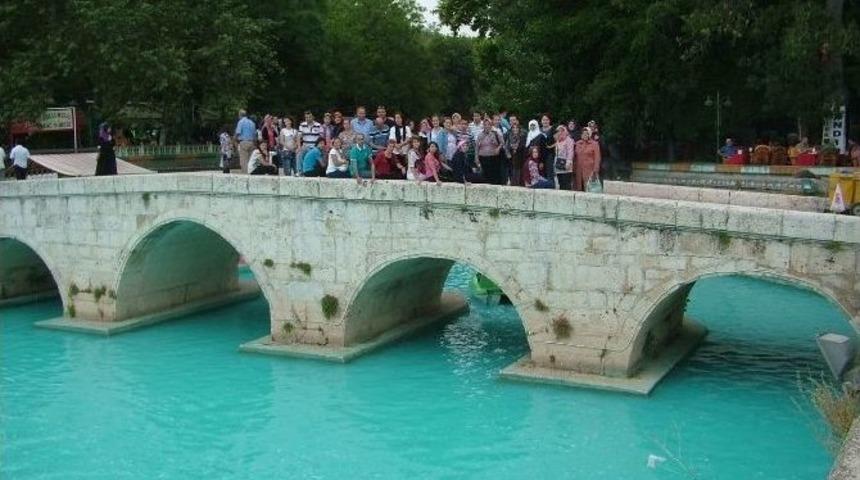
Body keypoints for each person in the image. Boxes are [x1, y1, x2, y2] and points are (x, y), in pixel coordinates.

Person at [476, 118, 505, 185]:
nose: (487, 126)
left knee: (494, 176)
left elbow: (502, 142)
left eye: (488, 124)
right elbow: (477, 147)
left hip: (493, 158)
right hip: (483, 157)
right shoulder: (480, 135)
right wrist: (476, 158)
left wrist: (498, 148)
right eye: (485, 124)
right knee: (485, 176)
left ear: (491, 125)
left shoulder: (495, 133)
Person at [297, 111, 322, 176]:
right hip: (306, 146)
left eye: (309, 117)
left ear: (313, 117)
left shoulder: (318, 125)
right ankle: (300, 172)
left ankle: (310, 172)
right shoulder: (302, 125)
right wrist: (299, 147)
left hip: (315, 147)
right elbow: (299, 137)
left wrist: (318, 147)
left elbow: (321, 138)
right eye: (306, 117)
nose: (308, 119)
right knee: (299, 153)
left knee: (315, 154)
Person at [553, 125, 575, 190]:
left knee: (566, 184)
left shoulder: (569, 140)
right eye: (558, 131)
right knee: (560, 183)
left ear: (565, 131)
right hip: (558, 166)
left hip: (566, 165)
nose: (560, 132)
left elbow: (570, 152)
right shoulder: (558, 140)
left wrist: (568, 162)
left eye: (562, 130)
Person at [235, 109, 256, 173]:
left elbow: (238, 132)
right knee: (250, 160)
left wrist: (234, 139)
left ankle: (245, 174)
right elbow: (255, 134)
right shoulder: (252, 122)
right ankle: (251, 172)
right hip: (252, 142)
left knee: (244, 160)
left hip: (244, 142)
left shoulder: (241, 122)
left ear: (240, 115)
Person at [507, 120, 526, 186]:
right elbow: (507, 147)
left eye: (516, 128)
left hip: (520, 158)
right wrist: (509, 153)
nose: (515, 129)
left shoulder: (522, 137)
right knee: (513, 173)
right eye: (513, 128)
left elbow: (522, 147)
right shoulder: (510, 137)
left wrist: (516, 149)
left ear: (519, 129)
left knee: (519, 174)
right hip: (512, 158)